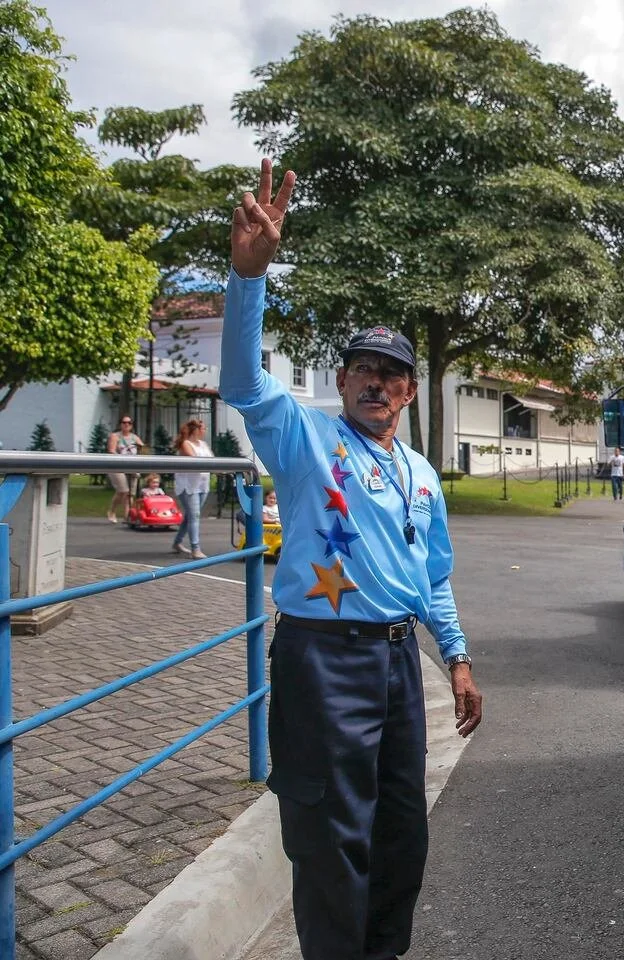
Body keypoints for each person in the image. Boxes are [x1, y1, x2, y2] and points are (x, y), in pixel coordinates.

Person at [219, 159, 483, 960]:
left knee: (401, 833)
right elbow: (242, 381)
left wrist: (457, 659)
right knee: (330, 839)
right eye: (364, 369)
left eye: (392, 374)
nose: (378, 383)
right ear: (341, 381)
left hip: (400, 665)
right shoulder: (305, 438)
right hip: (323, 661)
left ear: (409, 392)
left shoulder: (421, 474)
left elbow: (431, 577)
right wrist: (248, 278)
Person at [171, 419, 214, 558]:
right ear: (196, 430)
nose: (205, 431)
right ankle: (195, 548)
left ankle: (177, 542)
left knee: (190, 515)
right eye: (203, 428)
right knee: (194, 516)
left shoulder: (203, 444)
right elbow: (195, 459)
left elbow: (212, 459)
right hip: (188, 486)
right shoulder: (186, 444)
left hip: (202, 484)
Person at [105, 416, 141, 523]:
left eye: (129, 423)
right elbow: (111, 451)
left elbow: (143, 448)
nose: (126, 424)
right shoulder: (115, 436)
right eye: (124, 422)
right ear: (120, 424)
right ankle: (111, 511)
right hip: (117, 466)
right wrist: (123, 458)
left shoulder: (134, 437)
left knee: (130, 494)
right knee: (123, 490)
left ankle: (128, 516)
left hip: (131, 466)